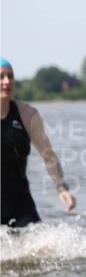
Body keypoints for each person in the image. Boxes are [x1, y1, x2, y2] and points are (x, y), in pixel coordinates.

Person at [1, 57, 76, 227]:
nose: (7, 81)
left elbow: (47, 154)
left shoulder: (27, 114)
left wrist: (61, 187)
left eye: (10, 76)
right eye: (1, 76)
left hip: (20, 205)